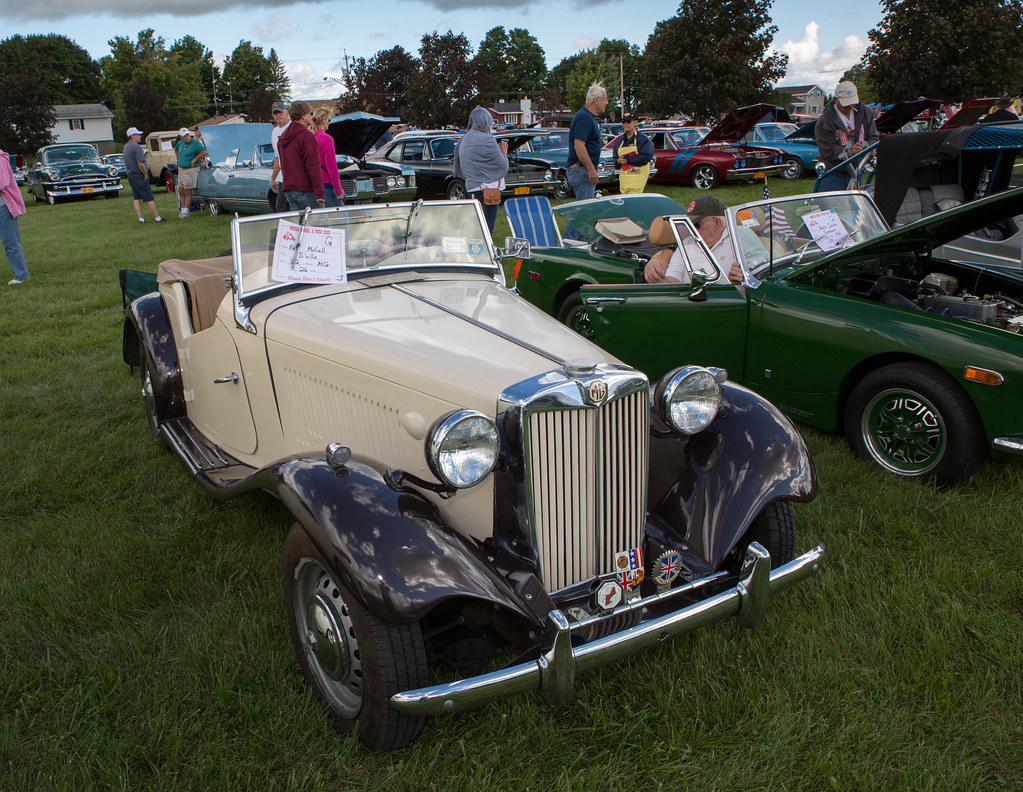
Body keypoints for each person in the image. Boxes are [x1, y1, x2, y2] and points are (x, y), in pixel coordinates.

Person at [643, 195, 765, 288]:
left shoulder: (740, 236)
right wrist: (658, 277)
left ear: (717, 222)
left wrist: (737, 281)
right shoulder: (687, 244)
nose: (691, 230)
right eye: (689, 225)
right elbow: (673, 281)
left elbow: (761, 278)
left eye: (696, 225)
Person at [814, 81, 878, 193]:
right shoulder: (824, 120)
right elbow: (827, 150)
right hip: (832, 173)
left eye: (852, 102)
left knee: (854, 203)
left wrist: (868, 147)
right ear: (836, 99)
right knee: (830, 203)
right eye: (846, 104)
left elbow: (873, 137)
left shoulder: (866, 113)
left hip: (856, 172)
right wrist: (849, 152)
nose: (850, 106)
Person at [452, 106, 509, 232]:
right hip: (488, 189)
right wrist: (504, 152)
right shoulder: (488, 139)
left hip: (472, 187)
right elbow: (502, 165)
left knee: (476, 228)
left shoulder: (464, 139)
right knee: (487, 230)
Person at [277, 101, 325, 211]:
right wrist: (320, 193)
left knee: (299, 221)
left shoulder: (283, 136)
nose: (312, 117)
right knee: (320, 220)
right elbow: (313, 165)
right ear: (303, 116)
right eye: (310, 113)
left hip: (289, 189)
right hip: (306, 189)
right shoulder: (305, 135)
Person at [566, 82, 608, 202]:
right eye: (605, 99)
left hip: (582, 170)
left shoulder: (587, 117)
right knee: (585, 210)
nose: (607, 103)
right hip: (582, 171)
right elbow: (579, 146)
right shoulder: (584, 118)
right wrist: (591, 169)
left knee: (584, 208)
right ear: (596, 100)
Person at [0, 148, 30, 284]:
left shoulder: (0, 158)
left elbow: (2, 182)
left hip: (4, 207)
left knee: (11, 242)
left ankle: (22, 275)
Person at [123, 126, 164, 224]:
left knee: (136, 198)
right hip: (138, 175)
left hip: (131, 175)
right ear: (133, 136)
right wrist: (145, 174)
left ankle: (140, 218)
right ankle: (157, 218)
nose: (140, 137)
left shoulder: (126, 147)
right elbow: (140, 163)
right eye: (138, 135)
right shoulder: (136, 147)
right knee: (149, 197)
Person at [311, 108, 344, 208]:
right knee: (342, 214)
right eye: (329, 120)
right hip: (326, 184)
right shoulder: (326, 139)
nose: (329, 123)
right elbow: (331, 167)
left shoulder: (310, 137)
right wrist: (339, 190)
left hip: (312, 184)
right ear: (324, 120)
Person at [613, 114, 654, 193]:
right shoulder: (619, 142)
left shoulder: (643, 140)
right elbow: (615, 159)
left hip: (637, 178)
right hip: (624, 180)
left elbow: (646, 157)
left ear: (636, 122)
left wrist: (627, 160)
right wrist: (618, 161)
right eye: (623, 122)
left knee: (635, 198)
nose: (625, 124)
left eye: (628, 121)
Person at [173, 127, 207, 218]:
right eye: (184, 136)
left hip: (190, 169)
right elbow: (176, 149)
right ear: (181, 137)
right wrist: (179, 159)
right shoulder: (180, 143)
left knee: (187, 190)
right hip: (181, 169)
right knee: (181, 190)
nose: (187, 137)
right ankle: (182, 209)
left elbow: (204, 152)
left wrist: (195, 159)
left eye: (188, 135)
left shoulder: (195, 143)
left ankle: (186, 211)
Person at [269, 101, 291, 212]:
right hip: (283, 179)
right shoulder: (274, 132)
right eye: (275, 113)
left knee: (295, 209)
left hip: (296, 179)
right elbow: (277, 157)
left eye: (280, 112)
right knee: (280, 210)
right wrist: (273, 178)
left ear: (287, 112)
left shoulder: (293, 127)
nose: (278, 116)